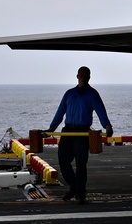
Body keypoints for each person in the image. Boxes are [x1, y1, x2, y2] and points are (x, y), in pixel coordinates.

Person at [48, 66, 113, 204]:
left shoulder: (92, 94)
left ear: (89, 77)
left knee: (81, 164)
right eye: (81, 74)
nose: (83, 77)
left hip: (82, 133)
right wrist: (51, 129)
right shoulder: (69, 94)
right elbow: (60, 113)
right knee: (63, 161)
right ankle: (75, 187)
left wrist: (107, 125)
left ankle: (80, 194)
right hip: (67, 131)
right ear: (77, 76)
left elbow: (101, 111)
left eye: (86, 75)